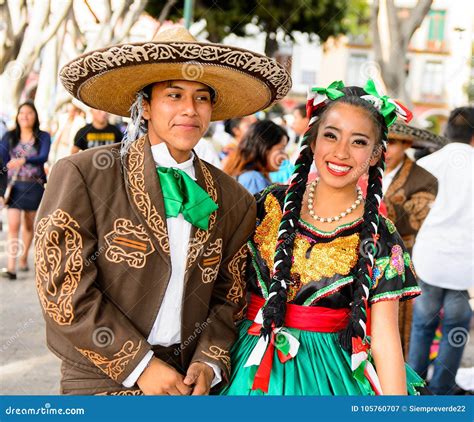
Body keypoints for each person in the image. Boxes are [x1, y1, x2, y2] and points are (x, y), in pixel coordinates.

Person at [35, 26, 291, 395]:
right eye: (174, 95)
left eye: (201, 98)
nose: (190, 109)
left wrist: (209, 361)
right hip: (98, 379)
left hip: (188, 383)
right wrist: (139, 365)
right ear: (145, 105)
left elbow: (228, 297)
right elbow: (61, 286)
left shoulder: (233, 198)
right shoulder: (85, 174)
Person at [220, 80, 426, 396]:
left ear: (375, 155)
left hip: (333, 377)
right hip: (248, 362)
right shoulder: (266, 205)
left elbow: (385, 338)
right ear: (313, 142)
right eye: (331, 135)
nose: (341, 152)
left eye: (359, 142)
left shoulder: (382, 237)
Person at [409, 106, 474, 395]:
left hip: (430, 258)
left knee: (422, 325)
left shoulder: (428, 163)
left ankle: (413, 387)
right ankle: (441, 392)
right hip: (464, 262)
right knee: (456, 330)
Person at [383, 122, 439, 357]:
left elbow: (414, 222)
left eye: (392, 142)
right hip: (351, 259)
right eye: (381, 141)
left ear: (407, 144)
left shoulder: (424, 179)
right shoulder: (360, 166)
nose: (385, 149)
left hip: (399, 259)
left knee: (392, 332)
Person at [0, 101, 51, 280]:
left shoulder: (43, 136)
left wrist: (23, 161)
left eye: (29, 113)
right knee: (13, 225)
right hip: (14, 186)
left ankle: (23, 257)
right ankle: (11, 267)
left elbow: (43, 156)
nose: (25, 116)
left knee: (29, 225)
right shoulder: (9, 137)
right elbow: (2, 162)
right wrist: (1, 191)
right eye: (22, 113)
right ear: (17, 116)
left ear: (35, 116)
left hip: (34, 186)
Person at [223, 120, 288, 195]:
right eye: (281, 149)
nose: (284, 154)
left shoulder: (252, 175)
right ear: (265, 148)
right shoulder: (253, 179)